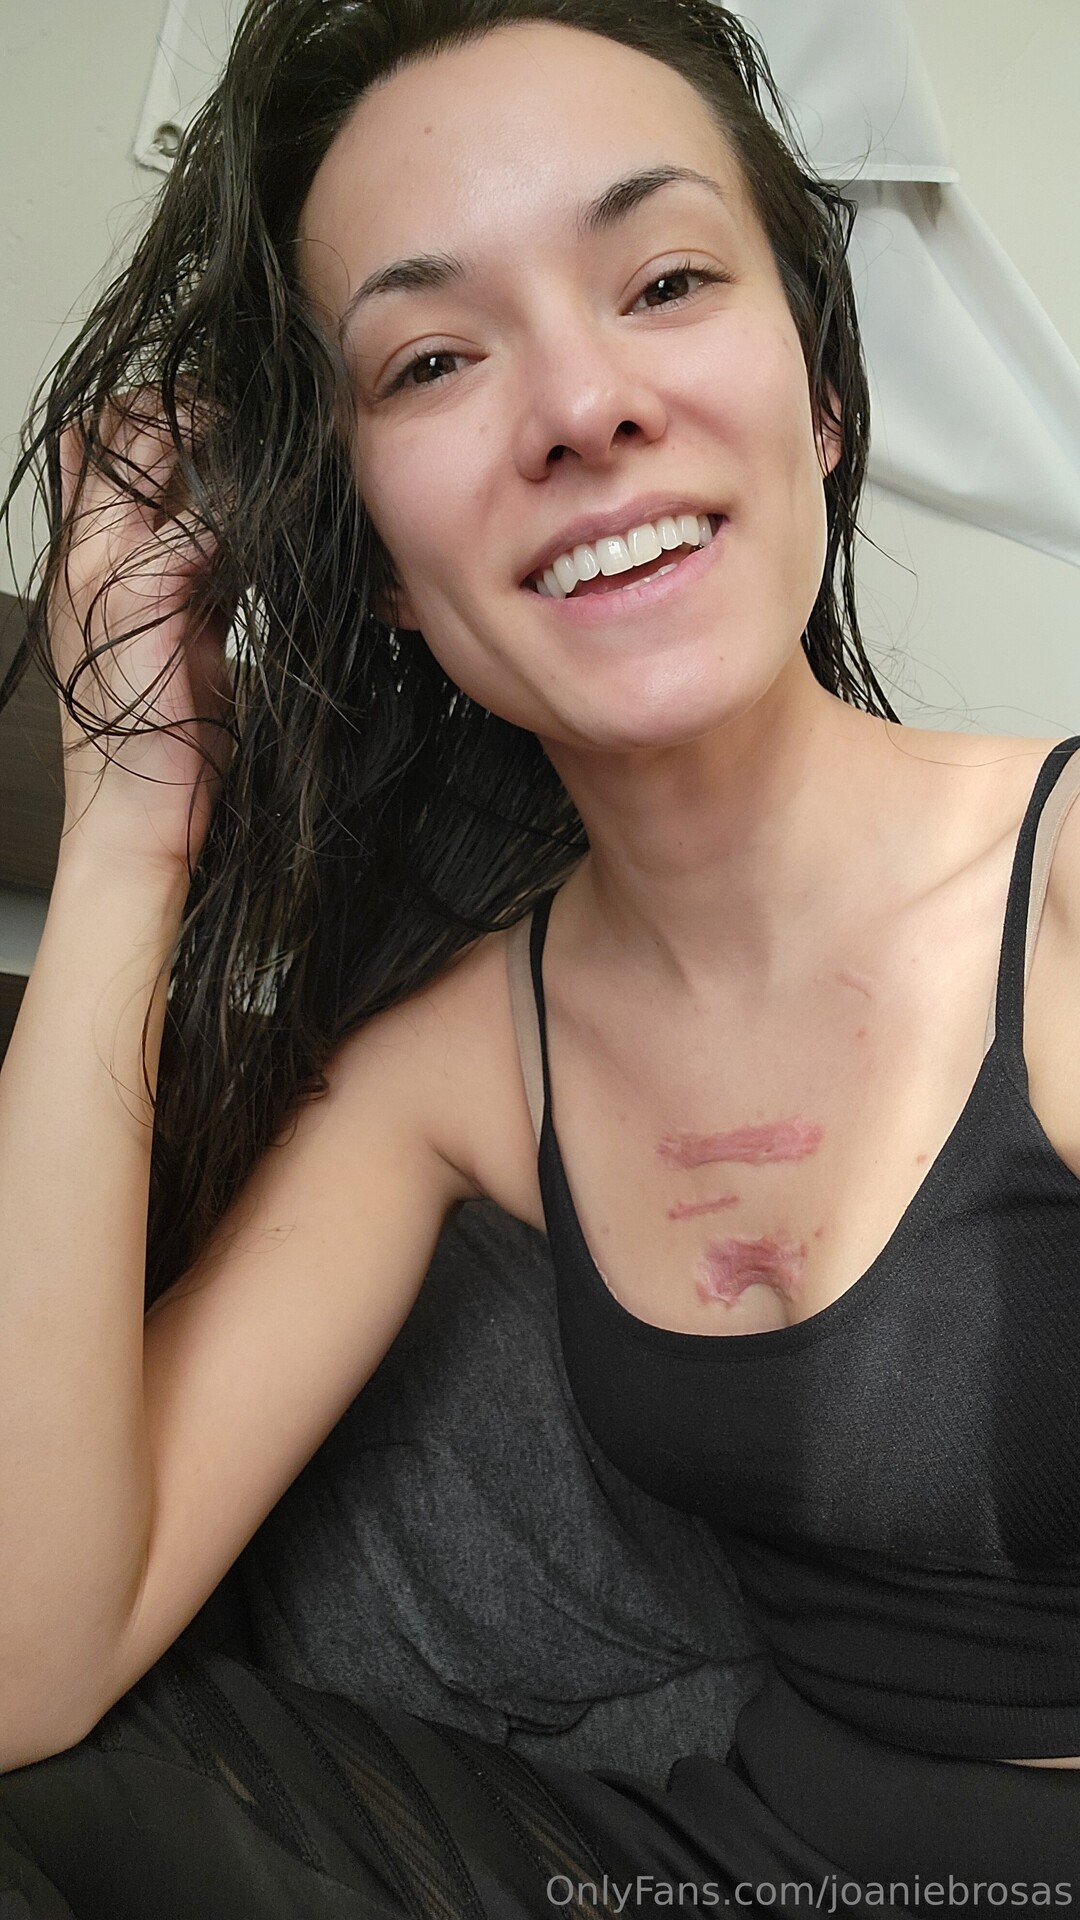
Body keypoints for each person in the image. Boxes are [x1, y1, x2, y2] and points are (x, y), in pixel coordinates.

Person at [1, 0, 1079, 1912]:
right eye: (431, 359)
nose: (583, 403)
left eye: (664, 279)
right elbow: (26, 1662)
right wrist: (129, 835)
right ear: (375, 566)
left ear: (824, 394)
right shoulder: (457, 1068)